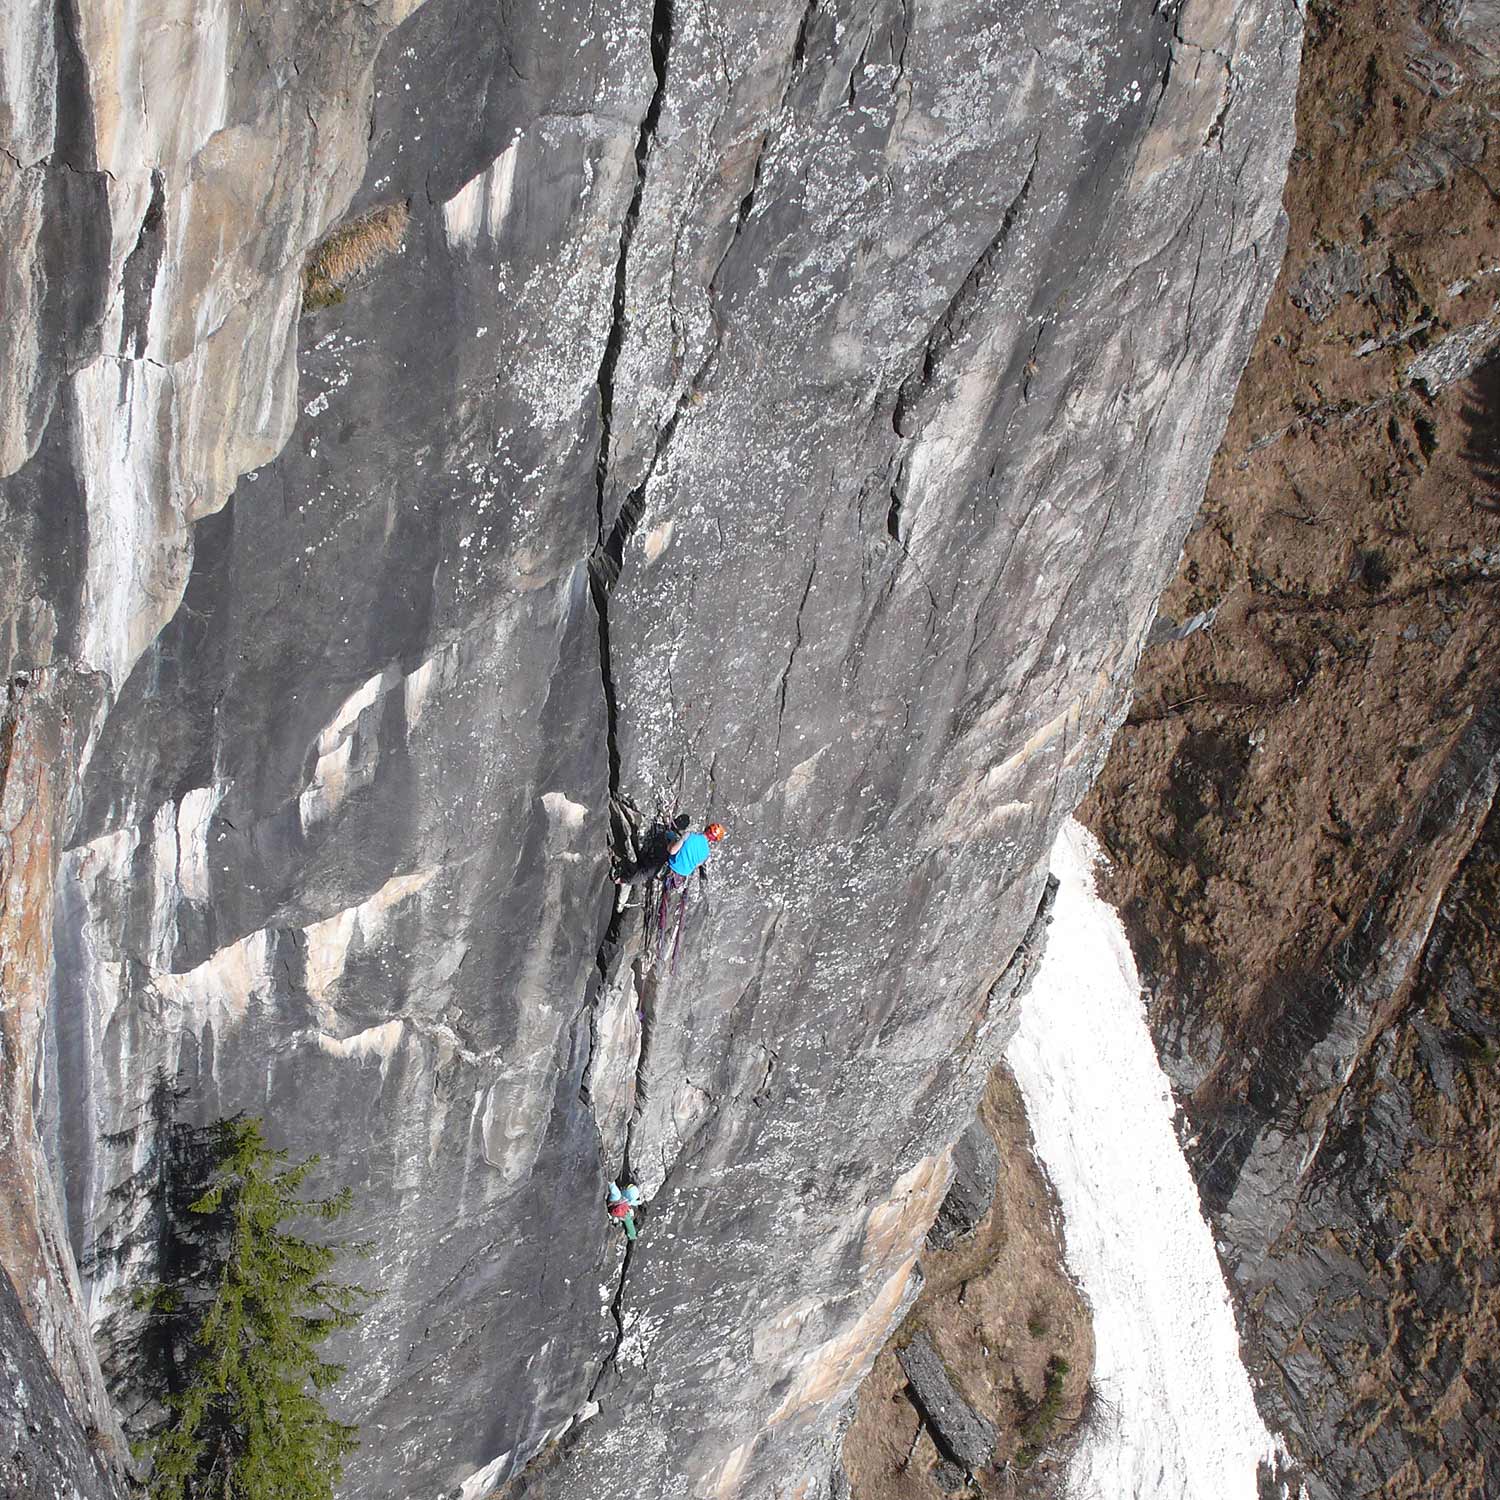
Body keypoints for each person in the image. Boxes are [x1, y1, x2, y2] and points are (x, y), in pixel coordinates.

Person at [614, 820, 725, 910]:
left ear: (707, 828)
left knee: (644, 873)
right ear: (713, 840)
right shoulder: (706, 853)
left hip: (667, 869)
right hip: (677, 879)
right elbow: (695, 866)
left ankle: (623, 880)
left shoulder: (689, 835)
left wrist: (672, 840)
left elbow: (672, 851)